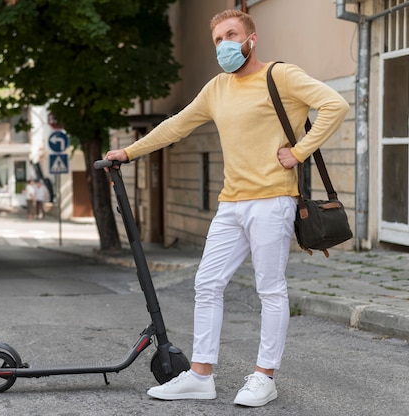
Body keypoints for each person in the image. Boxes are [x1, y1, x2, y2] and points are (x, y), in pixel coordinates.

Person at [104, 9, 349, 408]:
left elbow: (334, 105)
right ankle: (201, 375)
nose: (224, 45)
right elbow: (177, 124)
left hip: (272, 201)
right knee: (207, 283)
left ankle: (263, 377)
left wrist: (300, 152)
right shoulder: (217, 88)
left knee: (269, 289)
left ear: (251, 39)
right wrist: (129, 152)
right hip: (230, 203)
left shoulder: (280, 76)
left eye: (231, 35)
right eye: (217, 39)